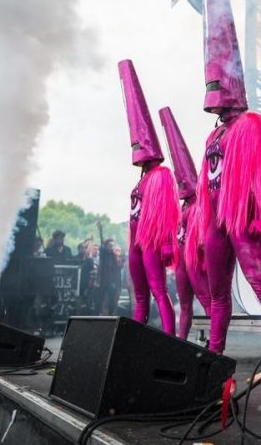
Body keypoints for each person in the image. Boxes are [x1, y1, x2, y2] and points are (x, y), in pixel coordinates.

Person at [194, 0, 261, 361]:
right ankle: (214, 357)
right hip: (215, 222)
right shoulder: (213, 136)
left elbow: (259, 179)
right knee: (217, 296)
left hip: (239, 221)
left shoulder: (249, 125)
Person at [118, 59, 180, 331]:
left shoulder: (162, 175)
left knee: (157, 290)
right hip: (136, 244)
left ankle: (169, 337)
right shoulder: (143, 179)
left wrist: (166, 244)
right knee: (140, 295)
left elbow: (167, 213)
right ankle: (134, 339)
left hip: (152, 242)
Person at [159, 106, 211, 340]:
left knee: (209, 302)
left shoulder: (199, 206)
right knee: (185, 305)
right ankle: (179, 342)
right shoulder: (182, 208)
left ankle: (215, 342)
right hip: (182, 264)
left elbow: (202, 237)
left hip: (195, 262)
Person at [99, 238, 123, 315]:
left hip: (113, 283)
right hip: (103, 282)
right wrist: (101, 231)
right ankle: (103, 316)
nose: (111, 247)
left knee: (112, 302)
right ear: (106, 246)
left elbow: (118, 269)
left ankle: (110, 316)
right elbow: (101, 247)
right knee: (103, 301)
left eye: (112, 245)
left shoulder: (115, 257)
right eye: (109, 245)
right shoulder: (104, 255)